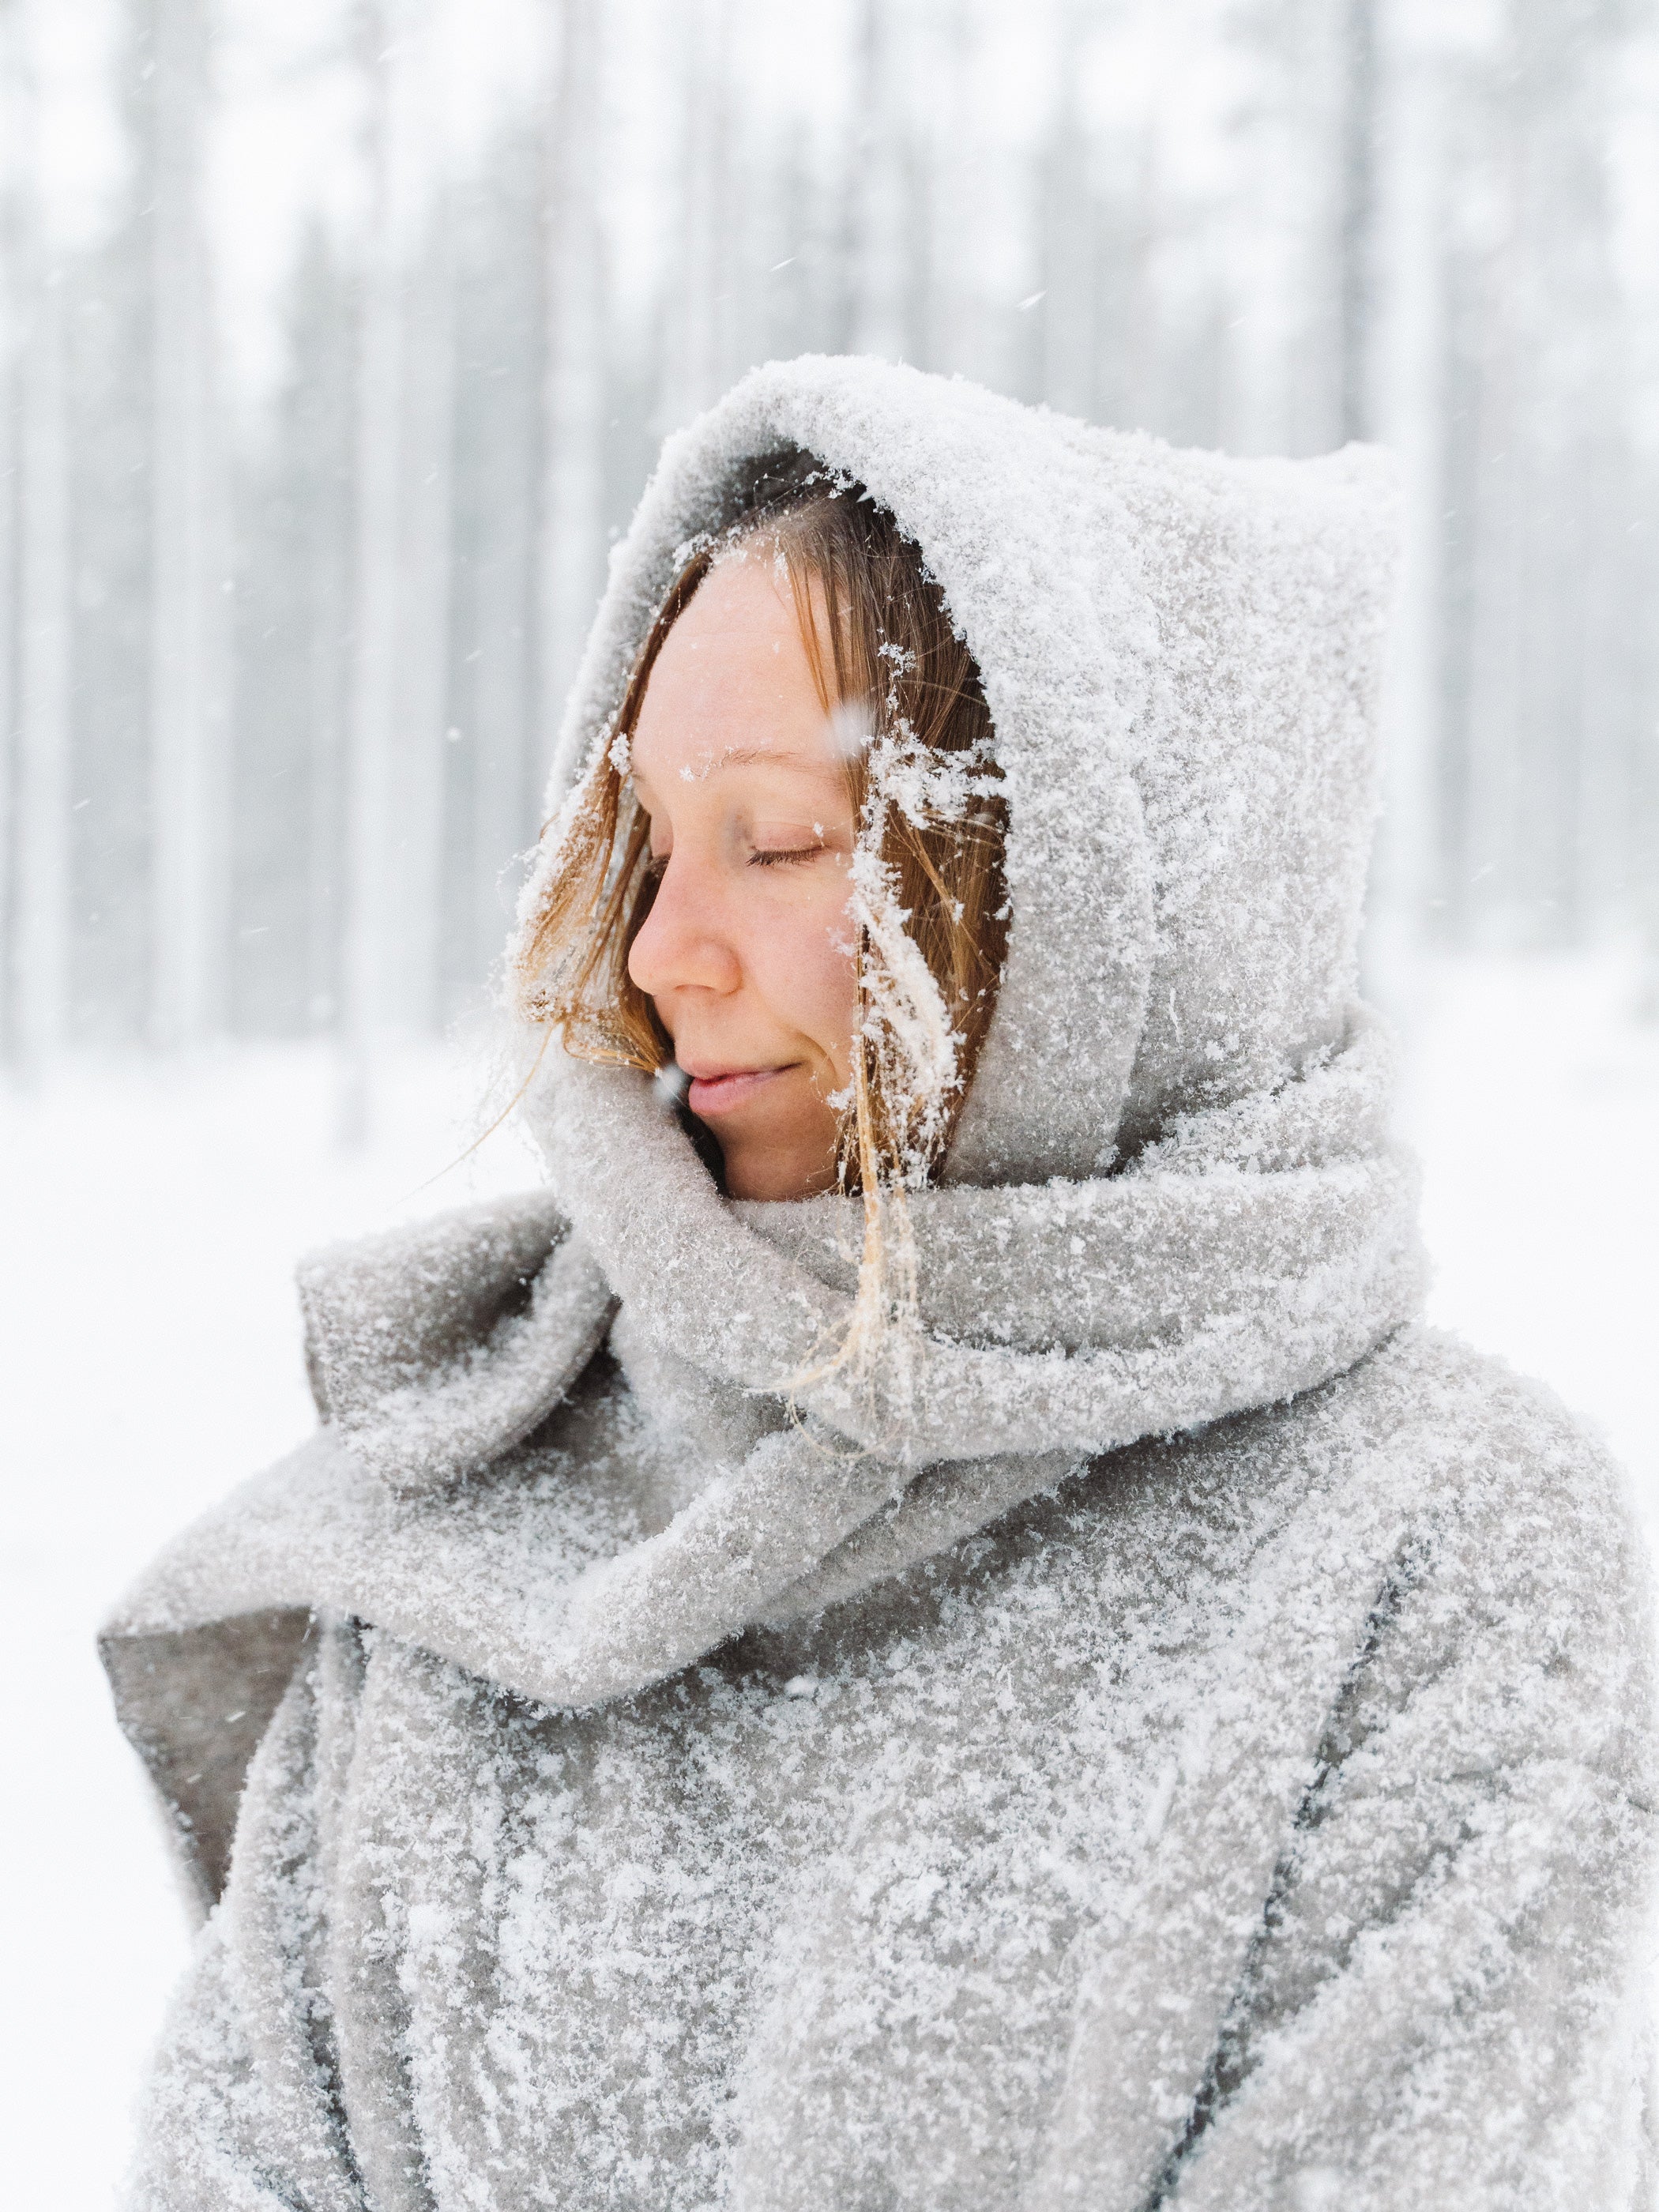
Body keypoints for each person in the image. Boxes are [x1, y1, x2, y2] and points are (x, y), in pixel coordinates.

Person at [105, 357, 1656, 2210]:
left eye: (776, 840)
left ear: (1092, 893)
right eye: (650, 843)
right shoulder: (476, 1504)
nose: (665, 948)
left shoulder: (1435, 1555)